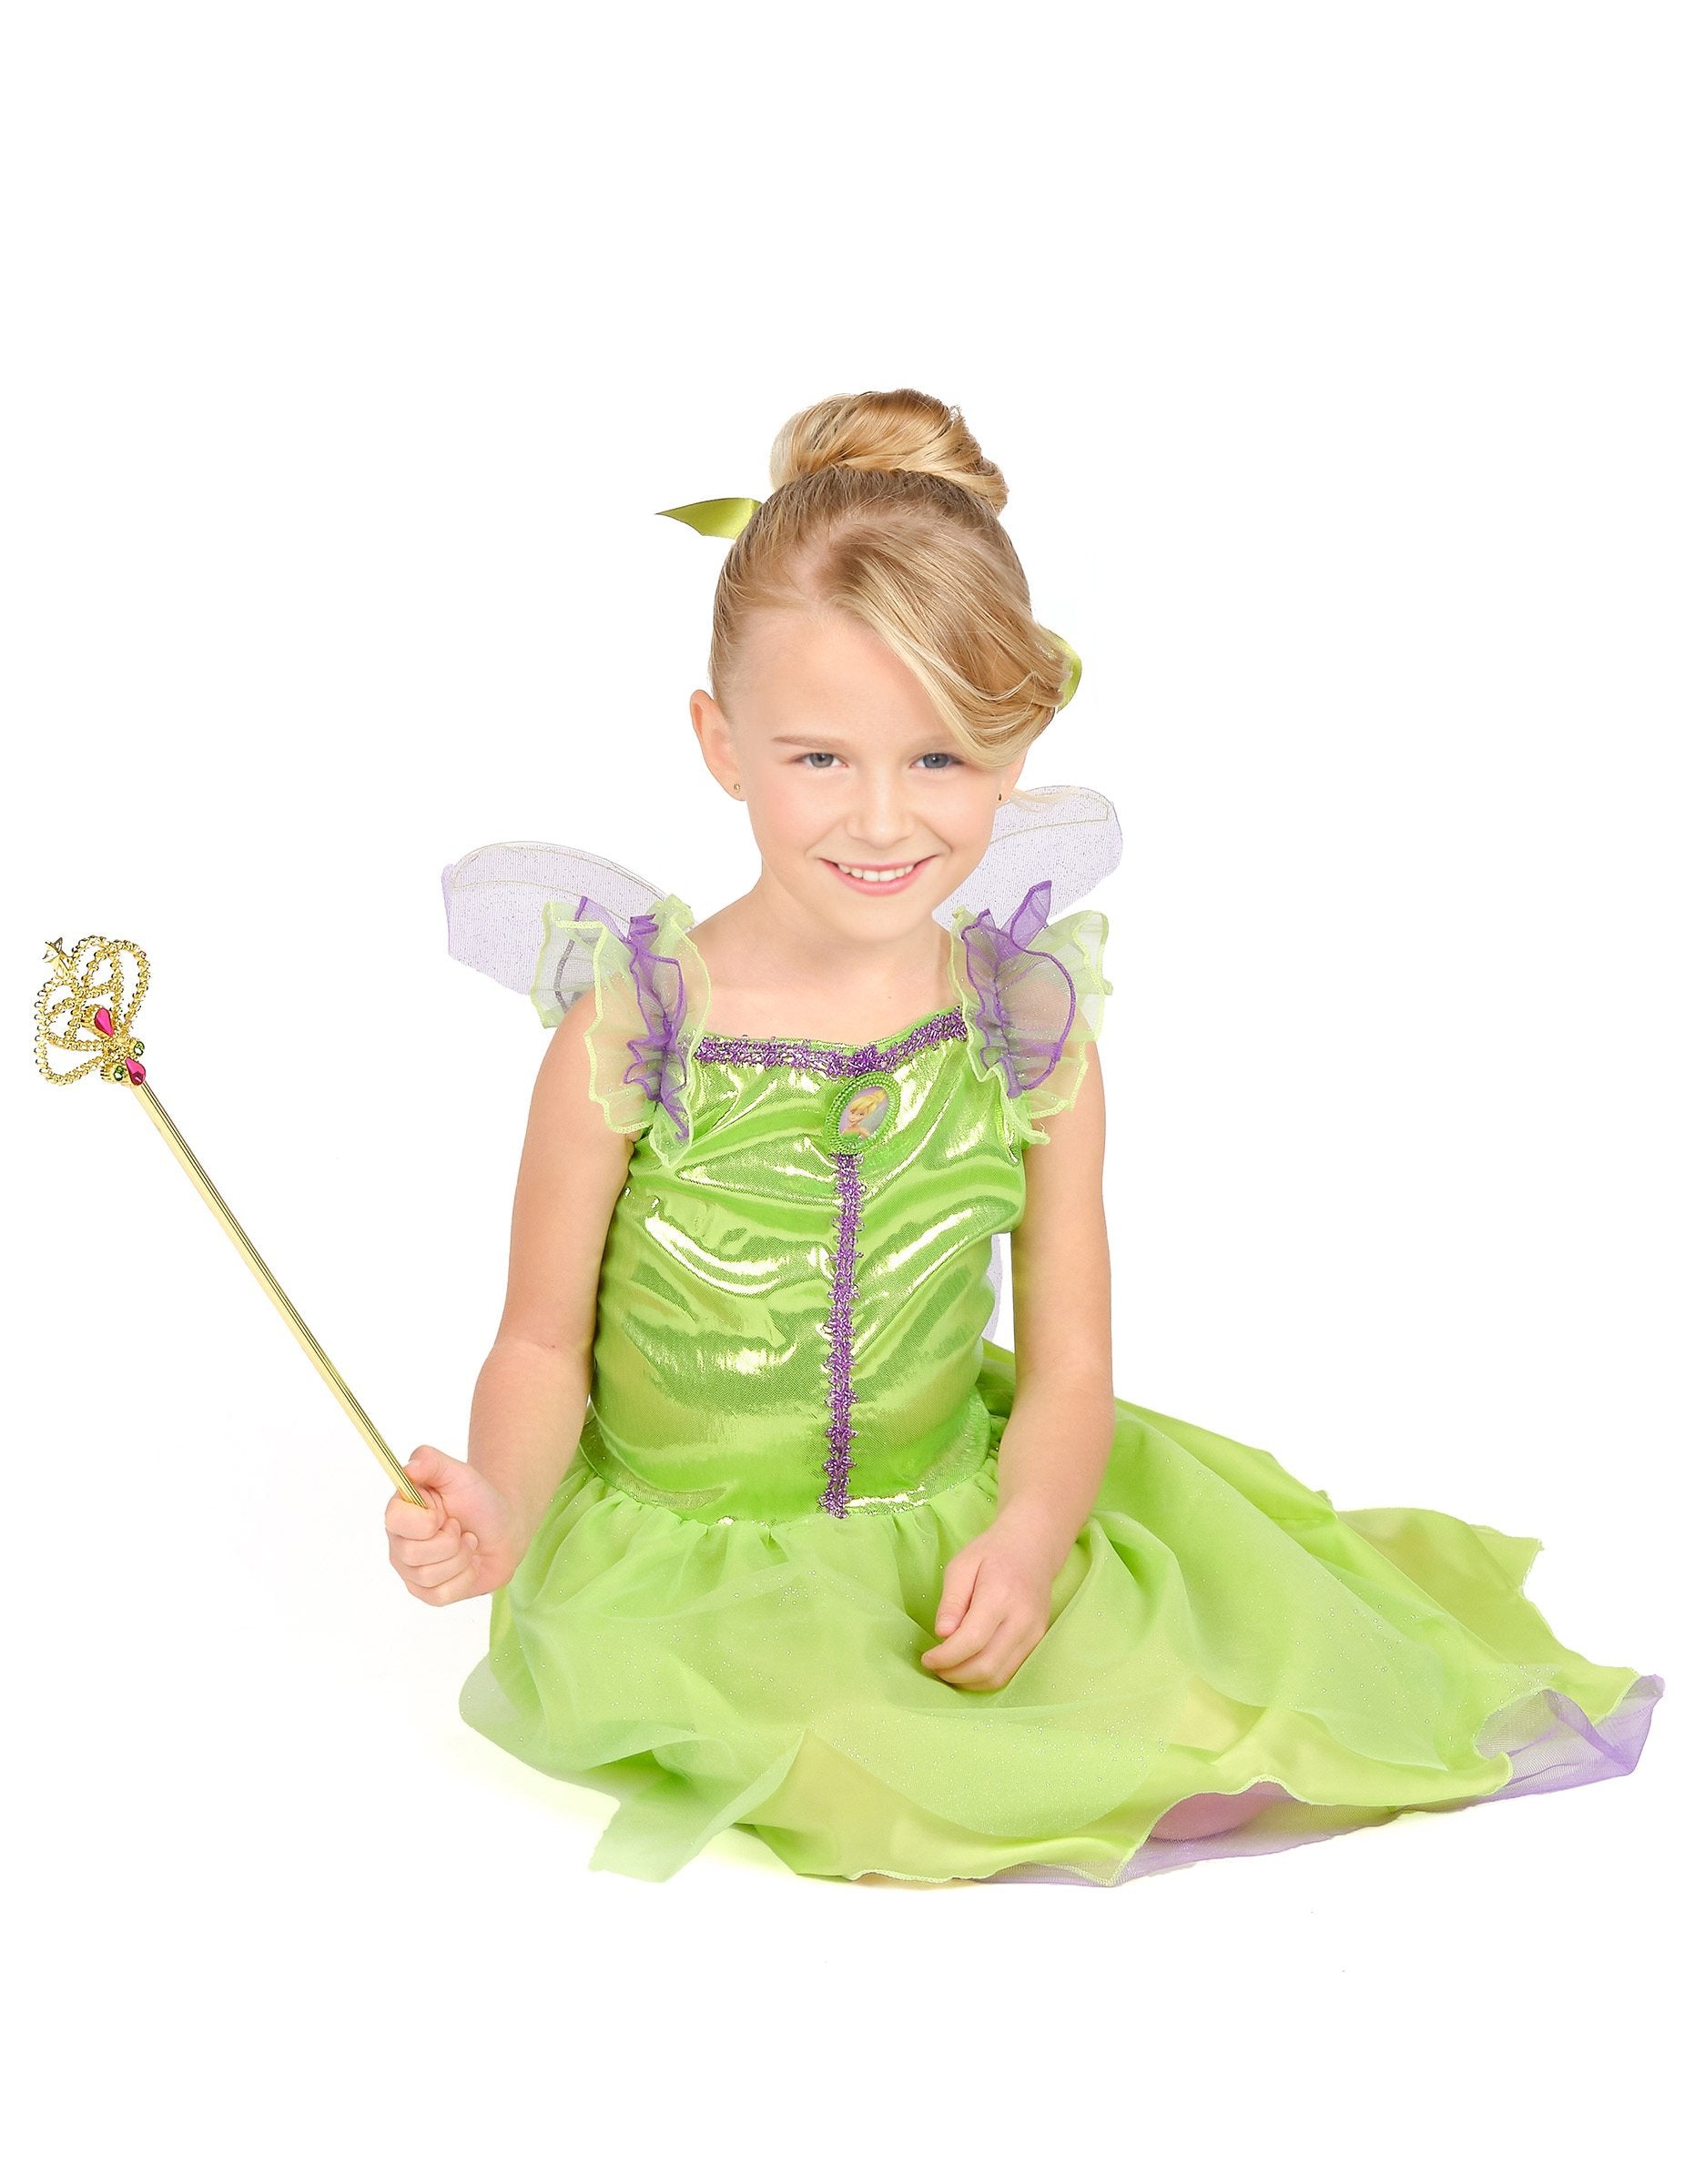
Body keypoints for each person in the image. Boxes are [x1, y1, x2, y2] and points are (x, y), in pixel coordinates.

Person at [387, 387, 1662, 1887]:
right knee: (853, 1751)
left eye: (937, 759)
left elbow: (1068, 1367)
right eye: (818, 759)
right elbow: (541, 1344)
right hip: (686, 1550)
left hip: (957, 1507)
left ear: (1014, 748)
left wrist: (1031, 1537)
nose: (881, 820)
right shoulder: (633, 1026)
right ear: (719, 742)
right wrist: (500, 1503)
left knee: (1207, 1708)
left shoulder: (1022, 1025)